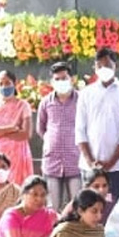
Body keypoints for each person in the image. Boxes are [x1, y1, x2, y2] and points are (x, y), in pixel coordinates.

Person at [76, 47, 119, 200]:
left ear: (116, 66)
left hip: (118, 166)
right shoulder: (86, 94)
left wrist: (111, 162)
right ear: (94, 67)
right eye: (100, 66)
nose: (104, 69)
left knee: (116, 208)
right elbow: (80, 130)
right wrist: (90, 161)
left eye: (108, 65)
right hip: (89, 167)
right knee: (88, 207)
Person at [36, 62, 82, 211]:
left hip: (75, 161)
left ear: (72, 79)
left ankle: (75, 234)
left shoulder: (81, 100)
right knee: (52, 208)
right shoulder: (46, 103)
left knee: (77, 206)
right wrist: (52, 141)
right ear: (52, 82)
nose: (61, 82)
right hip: (52, 163)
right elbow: (41, 128)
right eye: (57, 79)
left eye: (64, 78)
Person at [0, 70, 34, 186]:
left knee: (17, 190)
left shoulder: (23, 105)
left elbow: (25, 134)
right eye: (0, 84)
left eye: (7, 83)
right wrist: (11, 128)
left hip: (17, 156)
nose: (4, 87)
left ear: (14, 83)